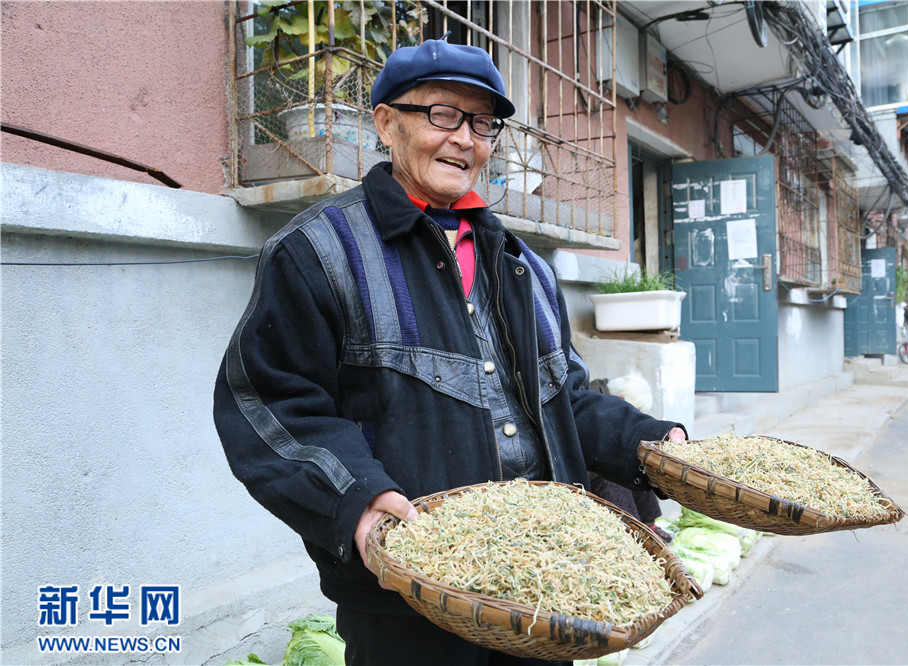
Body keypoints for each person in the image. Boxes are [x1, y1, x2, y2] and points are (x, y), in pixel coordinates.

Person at [214, 37, 686, 666]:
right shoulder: (318, 253)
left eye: (483, 123)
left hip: (541, 590)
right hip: (408, 598)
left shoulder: (526, 269)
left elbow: (565, 400)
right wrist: (357, 498)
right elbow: (270, 402)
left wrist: (655, 444)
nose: (465, 139)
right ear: (386, 122)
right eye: (442, 114)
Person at [589, 373, 673, 544]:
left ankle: (649, 525)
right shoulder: (596, 402)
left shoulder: (610, 393)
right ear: (621, 399)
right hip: (590, 469)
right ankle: (636, 534)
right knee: (616, 476)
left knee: (641, 465)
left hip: (603, 460)